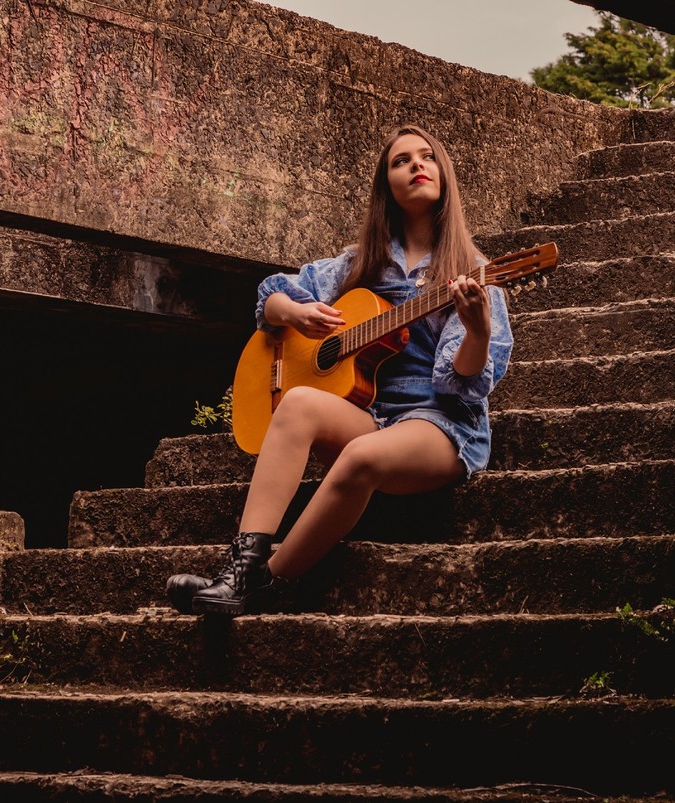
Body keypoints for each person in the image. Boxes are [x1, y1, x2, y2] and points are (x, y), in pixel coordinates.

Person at [167, 124, 514, 617]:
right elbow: (271, 295)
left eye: (426, 157)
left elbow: (459, 384)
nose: (416, 165)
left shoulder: (472, 272)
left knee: (359, 455)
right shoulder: (359, 263)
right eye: (400, 161)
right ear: (386, 186)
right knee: (300, 401)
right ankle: (240, 566)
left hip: (440, 424)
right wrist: (294, 313)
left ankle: (268, 580)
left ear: (444, 176)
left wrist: (477, 331)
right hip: (373, 411)